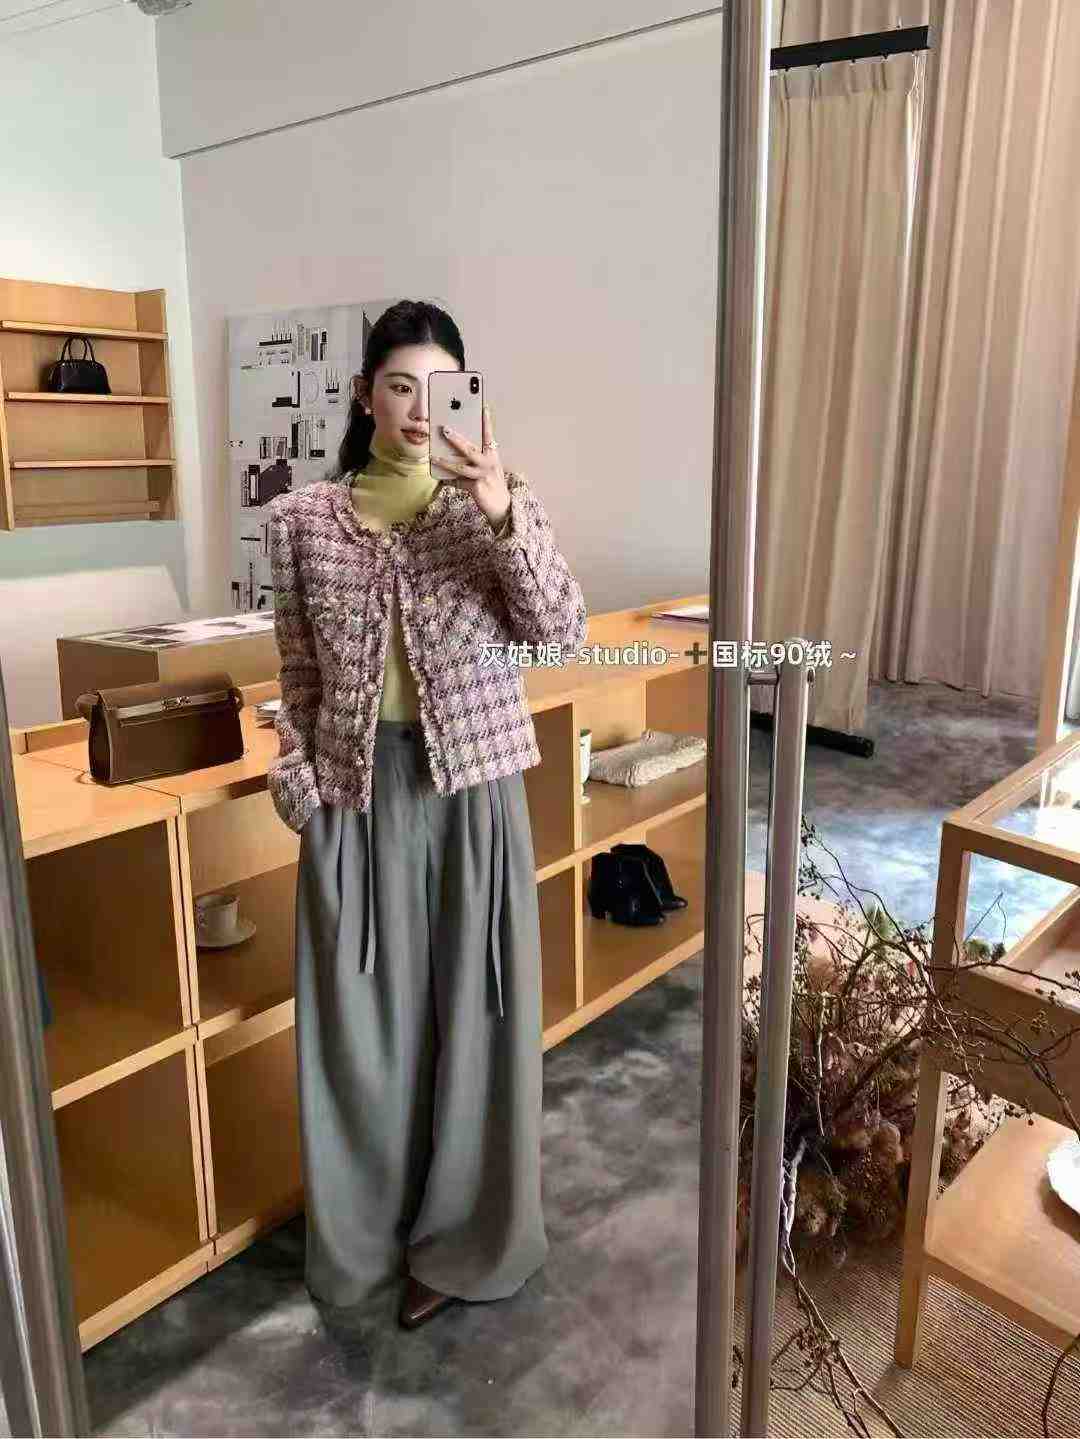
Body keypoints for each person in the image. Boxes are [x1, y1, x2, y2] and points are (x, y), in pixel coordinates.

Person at [266, 299, 588, 1330]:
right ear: (366, 395)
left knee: (479, 1018)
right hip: (356, 798)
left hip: (473, 794)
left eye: (441, 387)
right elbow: (297, 674)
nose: (418, 407)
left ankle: (466, 1241)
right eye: (401, 384)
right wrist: (301, 787)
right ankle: (363, 1240)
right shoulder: (302, 522)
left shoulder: (486, 509)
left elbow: (560, 633)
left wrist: (502, 508)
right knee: (359, 1027)